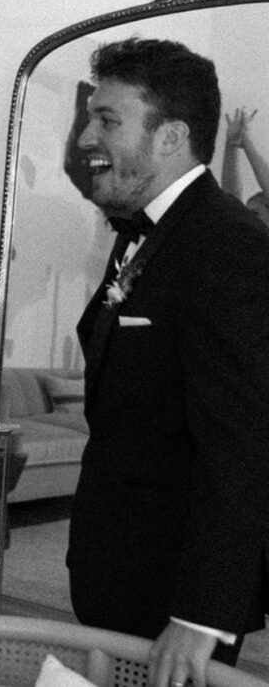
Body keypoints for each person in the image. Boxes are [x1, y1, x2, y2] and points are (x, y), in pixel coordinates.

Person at [70, 37, 269, 687]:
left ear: (170, 136)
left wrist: (200, 613)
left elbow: (245, 445)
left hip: (171, 595)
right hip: (115, 569)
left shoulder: (229, 245)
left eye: (107, 120)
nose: (83, 139)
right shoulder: (143, 232)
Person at [221, 107, 269, 227]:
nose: (247, 216)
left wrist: (246, 141)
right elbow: (231, 201)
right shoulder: (245, 237)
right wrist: (231, 144)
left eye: (255, 213)